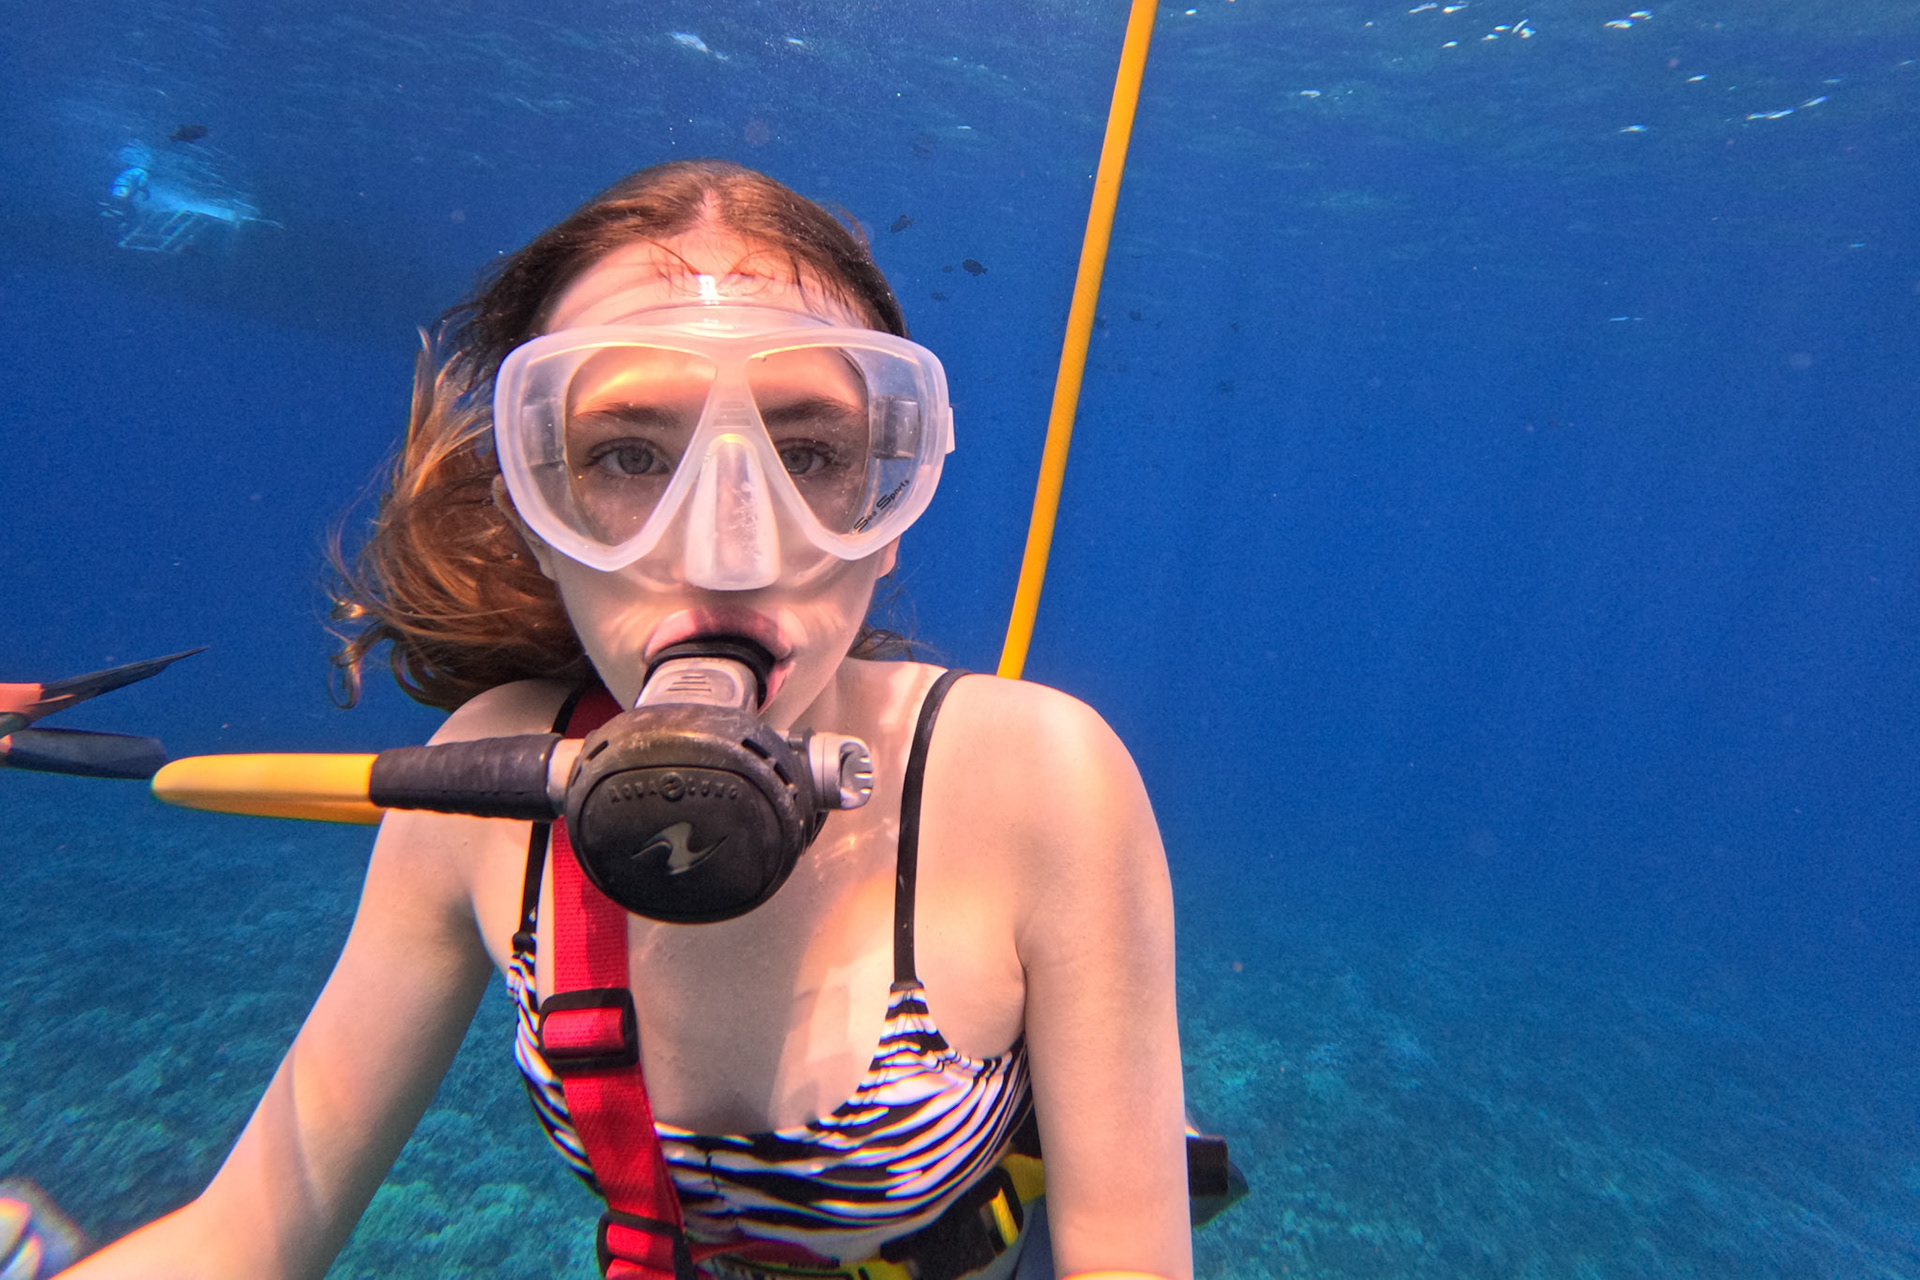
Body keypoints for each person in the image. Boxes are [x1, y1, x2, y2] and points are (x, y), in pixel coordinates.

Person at [66, 160, 1190, 1280]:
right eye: (627, 455)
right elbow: (243, 1237)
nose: (728, 550)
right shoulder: (479, 794)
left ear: (888, 508)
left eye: (811, 454)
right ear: (538, 514)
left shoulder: (1038, 780)